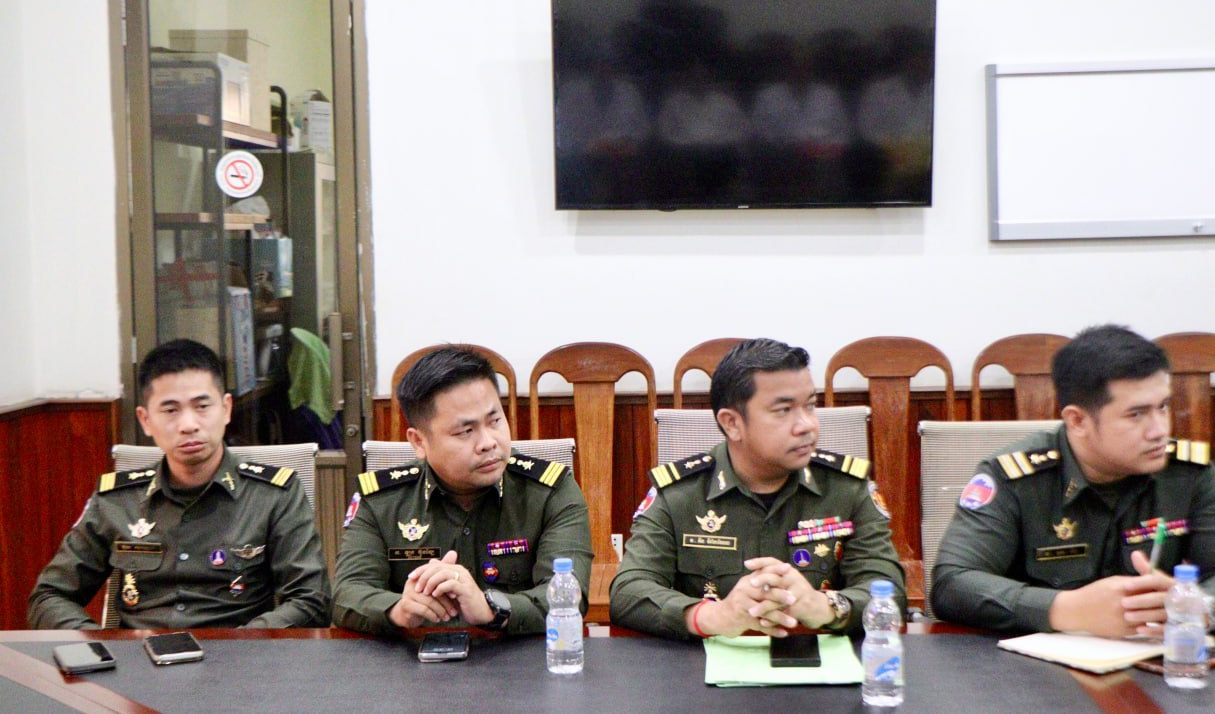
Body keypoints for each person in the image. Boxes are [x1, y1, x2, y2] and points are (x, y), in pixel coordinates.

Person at [931, 324, 1215, 636]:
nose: (1159, 430)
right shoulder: (1015, 478)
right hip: (1035, 667)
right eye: (1136, 414)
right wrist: (1064, 609)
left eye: (1163, 407)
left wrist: (1200, 607)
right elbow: (952, 584)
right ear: (1078, 421)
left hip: (1152, 661)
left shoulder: (1187, 473)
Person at [610, 338, 906, 640]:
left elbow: (891, 591)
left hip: (821, 660)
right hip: (707, 664)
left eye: (810, 406)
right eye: (783, 410)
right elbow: (628, 592)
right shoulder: (680, 494)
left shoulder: (846, 489)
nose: (807, 425)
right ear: (732, 423)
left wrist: (827, 607)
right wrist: (712, 616)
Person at [28, 339, 331, 629]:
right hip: (139, 657)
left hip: (240, 656)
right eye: (171, 410)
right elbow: (49, 597)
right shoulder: (118, 499)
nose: (188, 425)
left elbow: (311, 599)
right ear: (145, 420)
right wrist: (100, 649)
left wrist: (245, 642)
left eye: (202, 406)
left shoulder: (273, 495)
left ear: (226, 409)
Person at [332, 346, 592, 635]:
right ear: (419, 442)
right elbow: (347, 593)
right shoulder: (381, 500)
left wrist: (491, 608)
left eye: (495, 421)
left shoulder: (551, 492)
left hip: (520, 657)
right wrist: (399, 610)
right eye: (465, 431)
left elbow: (569, 596)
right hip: (414, 659)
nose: (488, 442)